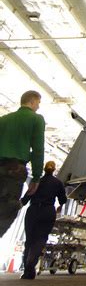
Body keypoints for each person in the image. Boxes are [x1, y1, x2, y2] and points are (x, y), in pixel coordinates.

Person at [0, 90, 45, 237]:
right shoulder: (36, 119)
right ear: (32, 102)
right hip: (14, 171)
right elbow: (38, 149)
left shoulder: (4, 119)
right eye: (38, 103)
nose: (38, 106)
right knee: (7, 211)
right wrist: (36, 178)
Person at [21, 160, 67, 279]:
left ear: (44, 169)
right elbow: (63, 199)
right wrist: (59, 206)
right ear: (54, 169)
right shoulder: (58, 183)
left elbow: (26, 198)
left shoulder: (36, 181)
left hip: (33, 211)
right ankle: (31, 263)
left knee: (29, 240)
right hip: (48, 212)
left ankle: (27, 270)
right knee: (40, 239)